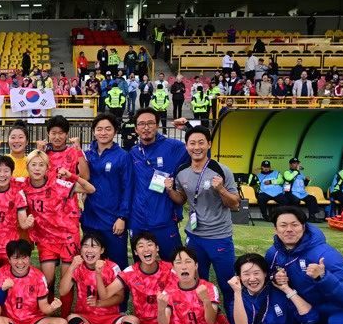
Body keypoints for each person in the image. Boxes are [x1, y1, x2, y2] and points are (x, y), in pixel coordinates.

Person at [164, 126, 240, 310]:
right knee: (197, 283)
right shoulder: (182, 171)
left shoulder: (221, 170)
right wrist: (169, 190)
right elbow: (181, 199)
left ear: (208, 144)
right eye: (192, 143)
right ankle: (200, 322)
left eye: (201, 142)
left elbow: (235, 204)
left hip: (219, 236)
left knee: (227, 284)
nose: (196, 147)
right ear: (186, 146)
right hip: (195, 237)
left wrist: (221, 189)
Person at [21, 150, 95, 289]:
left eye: (41, 165)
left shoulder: (58, 184)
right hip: (46, 239)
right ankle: (47, 309)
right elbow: (0, 181)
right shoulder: (21, 185)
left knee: (67, 279)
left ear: (47, 168)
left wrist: (72, 175)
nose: (37, 168)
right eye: (34, 164)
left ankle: (66, 312)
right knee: (47, 280)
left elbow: (90, 189)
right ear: (27, 167)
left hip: (67, 236)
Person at [96, 231, 174, 324]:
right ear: (136, 252)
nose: (146, 249)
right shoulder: (130, 272)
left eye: (150, 245)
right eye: (141, 246)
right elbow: (105, 294)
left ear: (157, 248)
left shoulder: (170, 268)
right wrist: (98, 274)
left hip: (172, 320)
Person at [58, 233, 136, 324]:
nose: (89, 250)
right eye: (85, 246)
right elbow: (63, 291)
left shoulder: (112, 267)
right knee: (71, 318)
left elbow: (120, 297)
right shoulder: (78, 267)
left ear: (102, 250)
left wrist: (99, 303)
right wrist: (71, 267)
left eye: (94, 246)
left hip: (110, 318)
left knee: (133, 321)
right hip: (86, 319)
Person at [129, 107, 189, 260]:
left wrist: (188, 128)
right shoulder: (133, 152)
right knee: (140, 268)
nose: (146, 127)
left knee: (174, 266)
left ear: (157, 125)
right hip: (138, 222)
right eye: (142, 124)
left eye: (150, 123)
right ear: (136, 128)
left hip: (164, 220)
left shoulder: (173, 147)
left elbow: (200, 150)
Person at [0, 240, 68, 324]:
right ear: (9, 259)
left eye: (24, 257)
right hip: (10, 321)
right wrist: (2, 289)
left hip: (34, 321)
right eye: (16, 258)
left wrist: (52, 307)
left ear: (29, 258)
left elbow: (44, 307)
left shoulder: (38, 276)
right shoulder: (0, 274)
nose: (20, 262)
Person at [81, 113, 133, 270]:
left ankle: (120, 295)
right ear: (94, 132)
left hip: (113, 221)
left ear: (115, 131)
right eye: (99, 129)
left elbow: (128, 188)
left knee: (117, 264)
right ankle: (94, 295)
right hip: (90, 219)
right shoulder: (86, 155)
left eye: (108, 129)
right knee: (91, 264)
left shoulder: (123, 156)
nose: (103, 133)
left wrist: (122, 217)